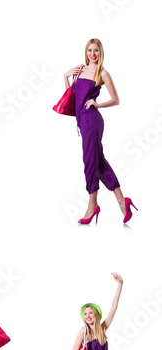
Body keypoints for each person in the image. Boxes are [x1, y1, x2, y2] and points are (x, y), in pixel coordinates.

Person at [64, 39, 138, 224]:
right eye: (90, 50)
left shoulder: (102, 73)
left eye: (96, 50)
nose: (93, 54)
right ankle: (122, 200)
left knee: (90, 161)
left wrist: (97, 104)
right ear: (86, 52)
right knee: (98, 161)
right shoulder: (80, 71)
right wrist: (66, 77)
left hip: (92, 120)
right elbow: (71, 98)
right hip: (81, 121)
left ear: (100, 52)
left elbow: (116, 99)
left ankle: (92, 205)